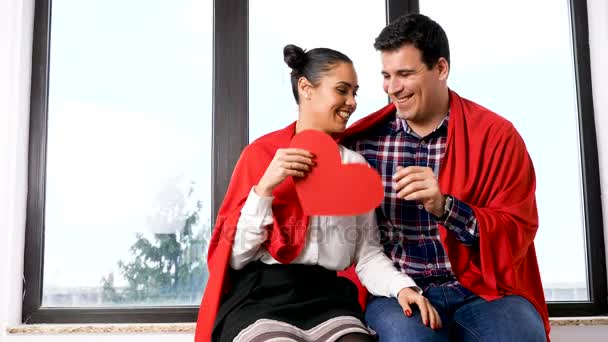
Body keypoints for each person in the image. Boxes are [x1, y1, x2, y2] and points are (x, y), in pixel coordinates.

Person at [194, 44, 442, 342]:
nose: (351, 102)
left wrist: (401, 287)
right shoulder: (261, 157)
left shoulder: (355, 166)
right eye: (342, 90)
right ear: (305, 88)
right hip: (263, 298)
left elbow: (367, 254)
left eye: (355, 93)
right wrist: (265, 188)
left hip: (328, 300)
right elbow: (233, 257)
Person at [340, 13, 550, 341]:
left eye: (405, 74)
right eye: (386, 75)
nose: (392, 88)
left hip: (484, 292)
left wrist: (445, 207)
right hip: (400, 293)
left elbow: (518, 229)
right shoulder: (362, 144)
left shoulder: (497, 137)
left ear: (441, 69)